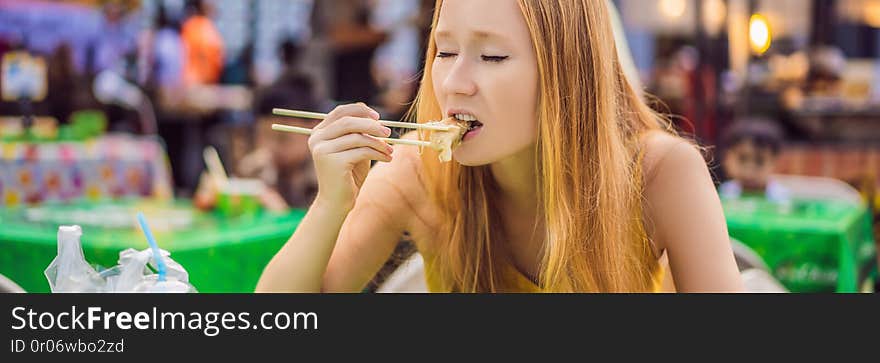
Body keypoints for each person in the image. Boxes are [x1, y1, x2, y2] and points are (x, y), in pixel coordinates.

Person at [256, 0, 744, 293]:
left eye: (491, 55)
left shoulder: (660, 173)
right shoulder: (414, 169)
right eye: (444, 52)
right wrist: (330, 204)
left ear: (567, 74)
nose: (454, 82)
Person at [718, 118, 790, 203]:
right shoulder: (725, 193)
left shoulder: (780, 198)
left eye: (759, 161)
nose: (749, 170)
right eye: (742, 159)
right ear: (727, 158)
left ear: (775, 162)